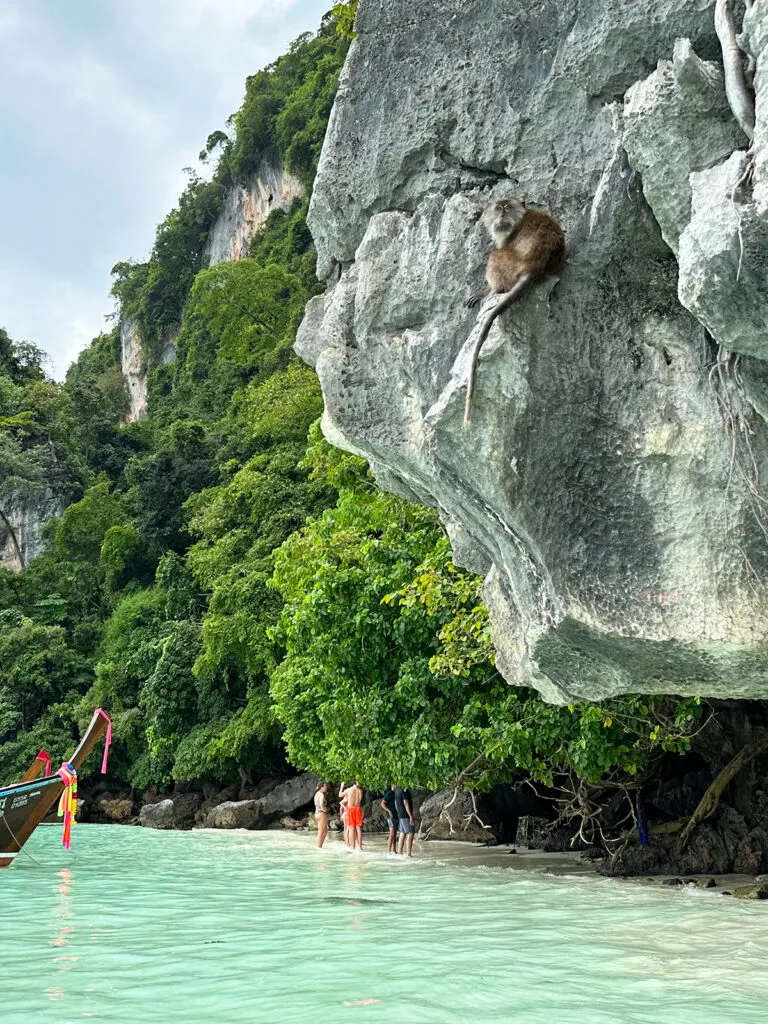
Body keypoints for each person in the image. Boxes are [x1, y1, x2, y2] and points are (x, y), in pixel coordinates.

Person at [394, 785, 415, 856]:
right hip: (406, 815)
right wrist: (410, 816)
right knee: (410, 833)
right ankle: (408, 853)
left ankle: (400, 852)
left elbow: (395, 803)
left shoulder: (397, 790)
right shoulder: (404, 790)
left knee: (402, 833)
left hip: (400, 814)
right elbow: (405, 803)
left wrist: (398, 812)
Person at [345, 781, 364, 850]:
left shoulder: (349, 790)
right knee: (358, 828)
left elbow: (340, 795)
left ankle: (353, 847)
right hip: (358, 809)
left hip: (351, 809)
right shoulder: (360, 791)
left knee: (351, 828)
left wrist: (341, 787)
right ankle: (360, 847)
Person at [380, 785, 398, 854]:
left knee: (395, 833)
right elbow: (382, 804)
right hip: (390, 816)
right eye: (395, 784)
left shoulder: (396, 793)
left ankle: (394, 850)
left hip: (396, 815)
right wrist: (389, 811)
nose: (396, 785)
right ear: (392, 785)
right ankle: (389, 850)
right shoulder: (389, 793)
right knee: (392, 833)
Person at [314, 782, 329, 848]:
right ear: (321, 787)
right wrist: (324, 809)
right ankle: (319, 847)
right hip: (321, 813)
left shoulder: (317, 794)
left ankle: (320, 845)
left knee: (325, 831)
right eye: (325, 786)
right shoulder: (321, 794)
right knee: (321, 832)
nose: (326, 787)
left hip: (317, 813)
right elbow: (321, 804)